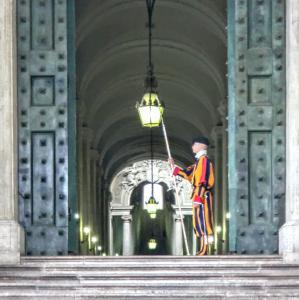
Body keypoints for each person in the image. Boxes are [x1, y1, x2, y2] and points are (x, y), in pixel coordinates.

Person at [169, 137, 214, 256]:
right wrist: (174, 167)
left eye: (194, 145)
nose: (192, 147)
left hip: (203, 195)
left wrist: (198, 198)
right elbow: (189, 173)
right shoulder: (199, 162)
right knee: (199, 222)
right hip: (198, 195)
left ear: (200, 146)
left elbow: (203, 180)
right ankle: (202, 249)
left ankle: (205, 249)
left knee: (204, 222)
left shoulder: (204, 160)